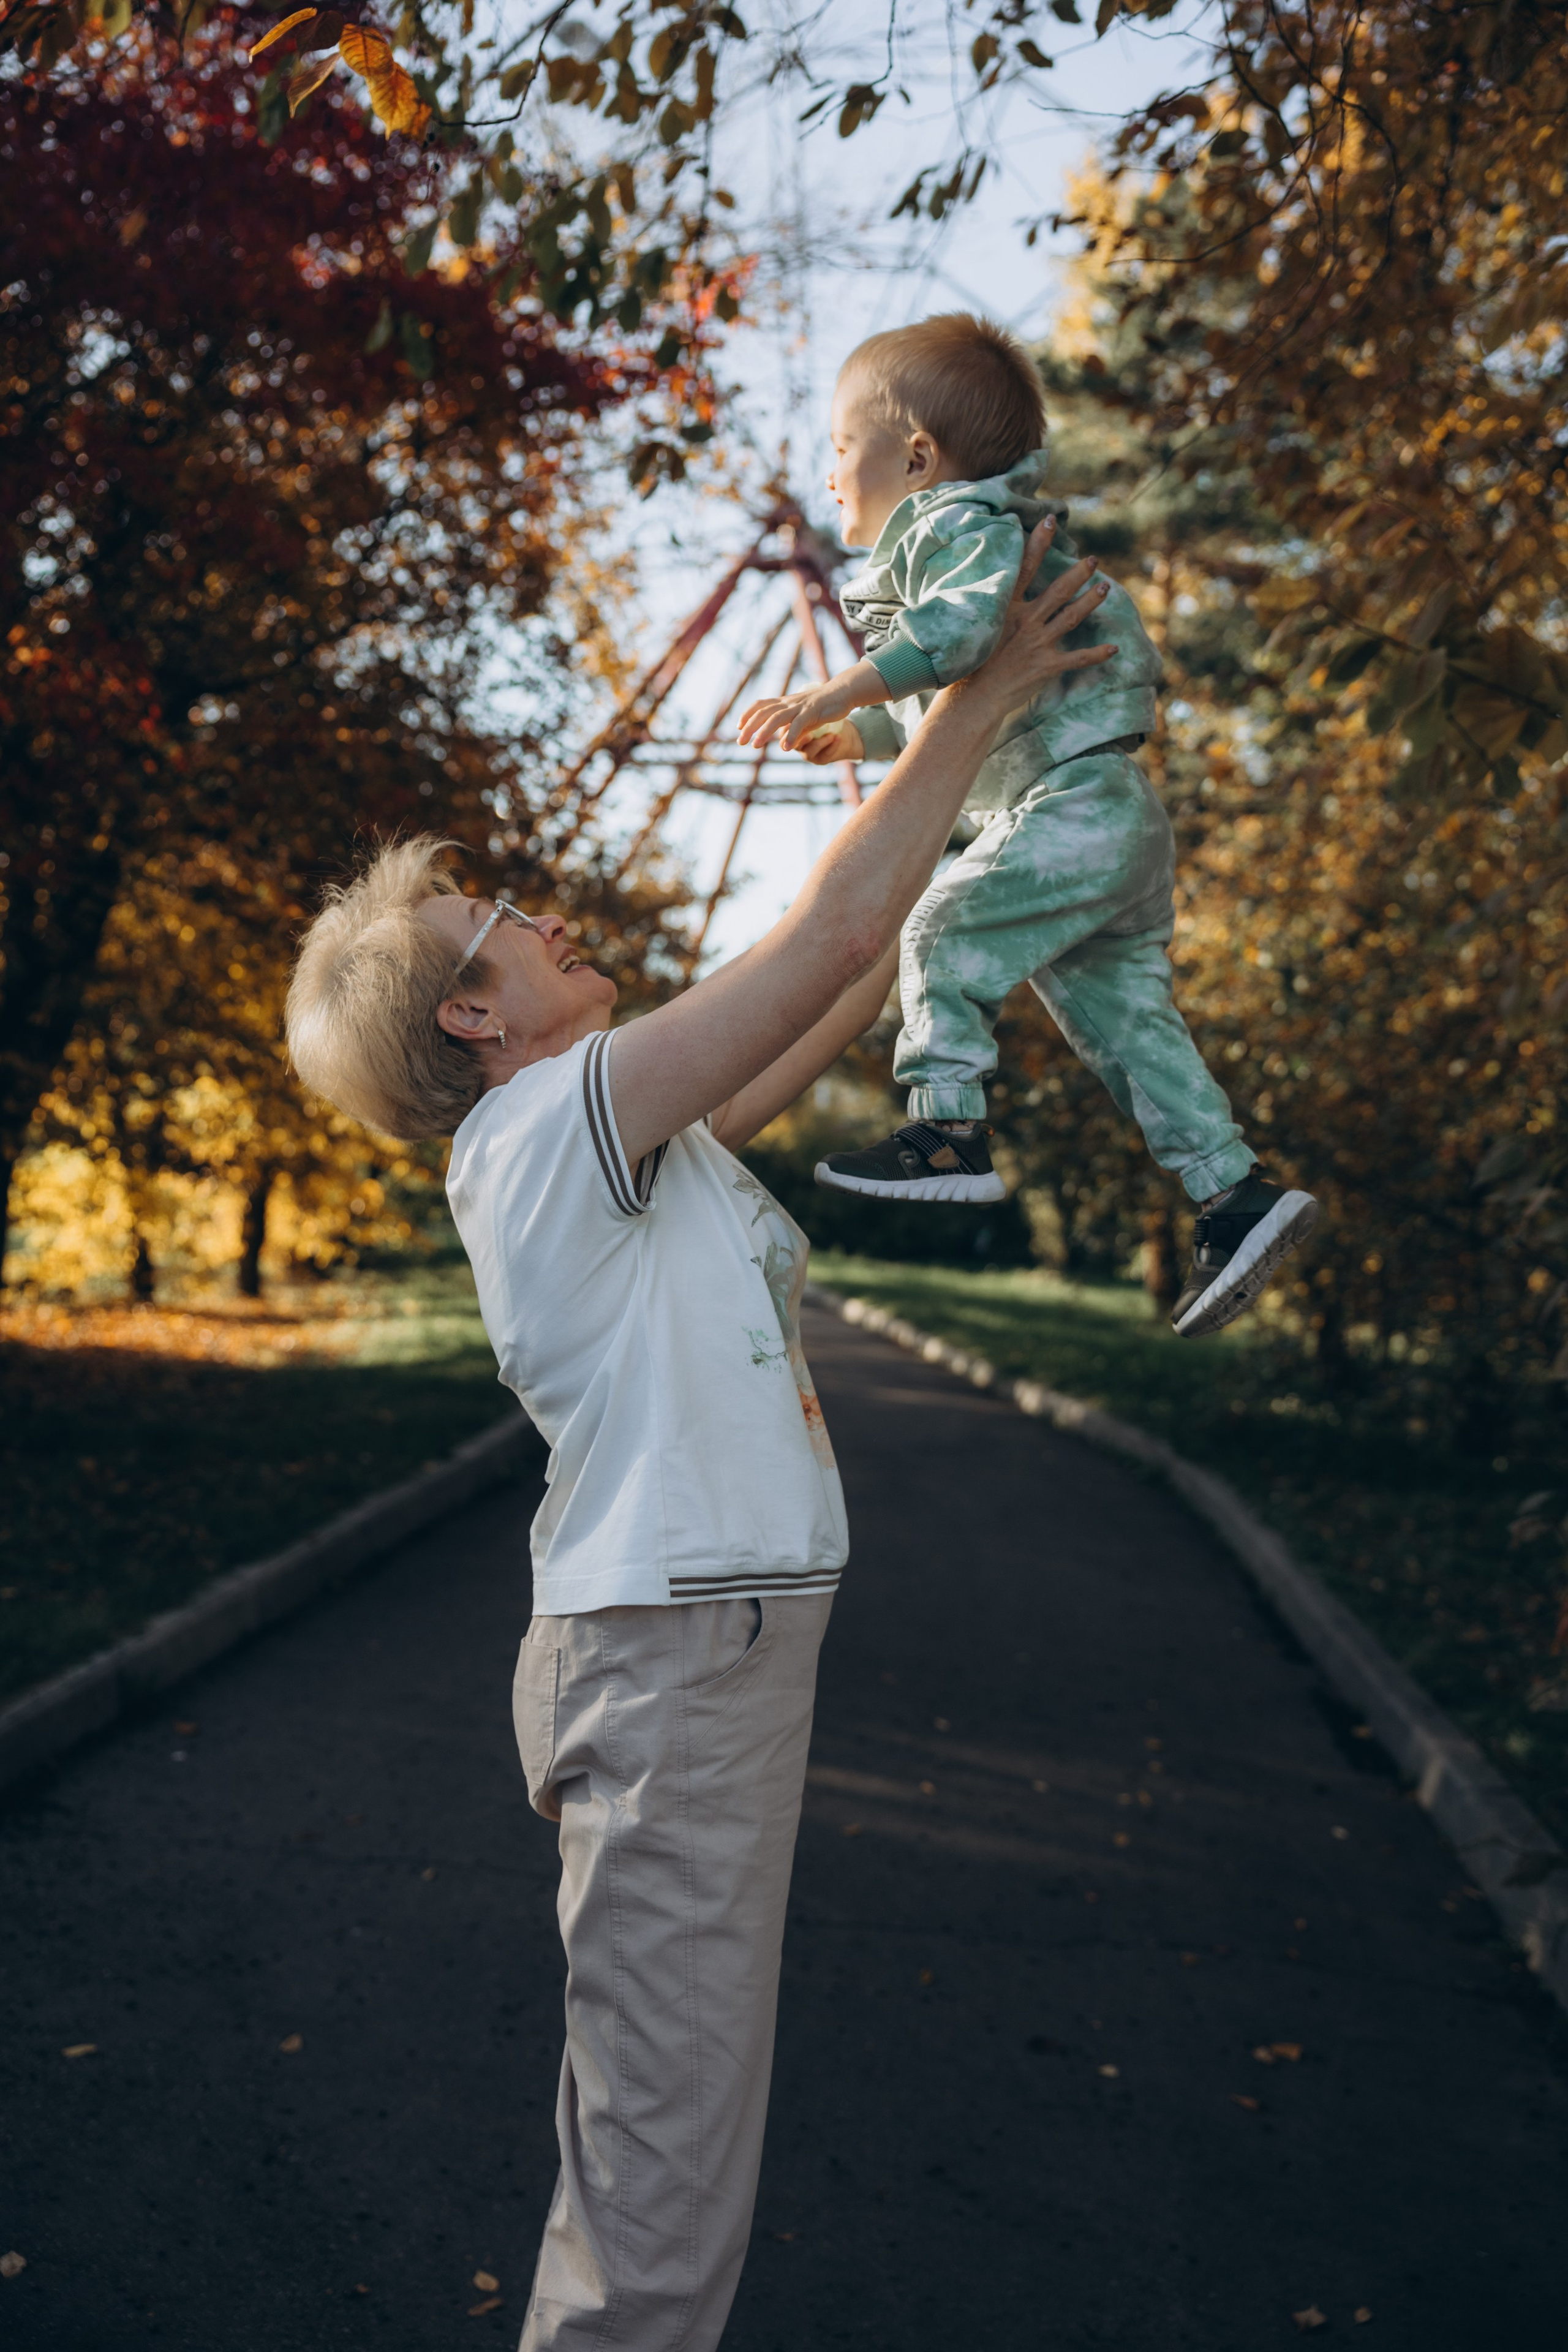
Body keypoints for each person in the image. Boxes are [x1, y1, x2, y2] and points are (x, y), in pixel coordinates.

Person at [283, 526, 1110, 2352]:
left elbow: (838, 968)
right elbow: (813, 931)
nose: (544, 911)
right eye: (500, 922)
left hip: (689, 1658)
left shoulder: (632, 1140)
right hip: (668, 1669)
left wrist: (969, 806)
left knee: (668, 2138)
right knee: (659, 2185)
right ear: (475, 1013)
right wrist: (974, 697)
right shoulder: (540, 1128)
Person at [737, 313, 1318, 1338]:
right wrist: (868, 735)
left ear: (915, 456)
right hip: (1100, 816)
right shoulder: (959, 542)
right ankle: (1235, 1196)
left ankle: (948, 1135)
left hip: (1071, 804)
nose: (829, 473)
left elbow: (956, 642)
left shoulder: (954, 524)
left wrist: (832, 694)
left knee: (937, 929)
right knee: (1126, 1029)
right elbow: (954, 700)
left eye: (839, 447)